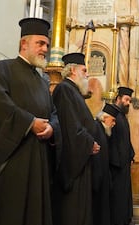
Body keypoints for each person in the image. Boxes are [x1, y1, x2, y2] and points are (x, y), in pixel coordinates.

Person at [0, 18, 61, 225]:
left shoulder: (43, 80)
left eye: (46, 44)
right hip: (11, 164)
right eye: (40, 43)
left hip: (38, 164)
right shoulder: (3, 70)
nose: (45, 49)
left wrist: (51, 127)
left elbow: (53, 112)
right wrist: (30, 122)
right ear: (24, 44)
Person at [52, 52, 101, 225]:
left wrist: (89, 143)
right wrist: (89, 143)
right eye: (84, 70)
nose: (87, 74)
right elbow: (70, 127)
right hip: (72, 162)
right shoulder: (64, 89)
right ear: (73, 70)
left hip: (81, 160)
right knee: (71, 213)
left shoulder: (73, 92)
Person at [109, 86, 135, 225]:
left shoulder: (122, 116)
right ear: (118, 98)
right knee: (117, 196)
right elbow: (109, 139)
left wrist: (131, 155)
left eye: (129, 101)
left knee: (124, 195)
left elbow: (126, 140)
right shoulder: (112, 114)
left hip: (124, 165)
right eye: (126, 100)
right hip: (116, 166)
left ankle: (125, 219)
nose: (128, 103)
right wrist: (116, 161)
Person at [93, 103, 119, 225]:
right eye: (113, 120)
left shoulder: (102, 130)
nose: (114, 124)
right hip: (97, 178)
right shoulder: (96, 128)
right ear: (104, 118)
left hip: (102, 177)